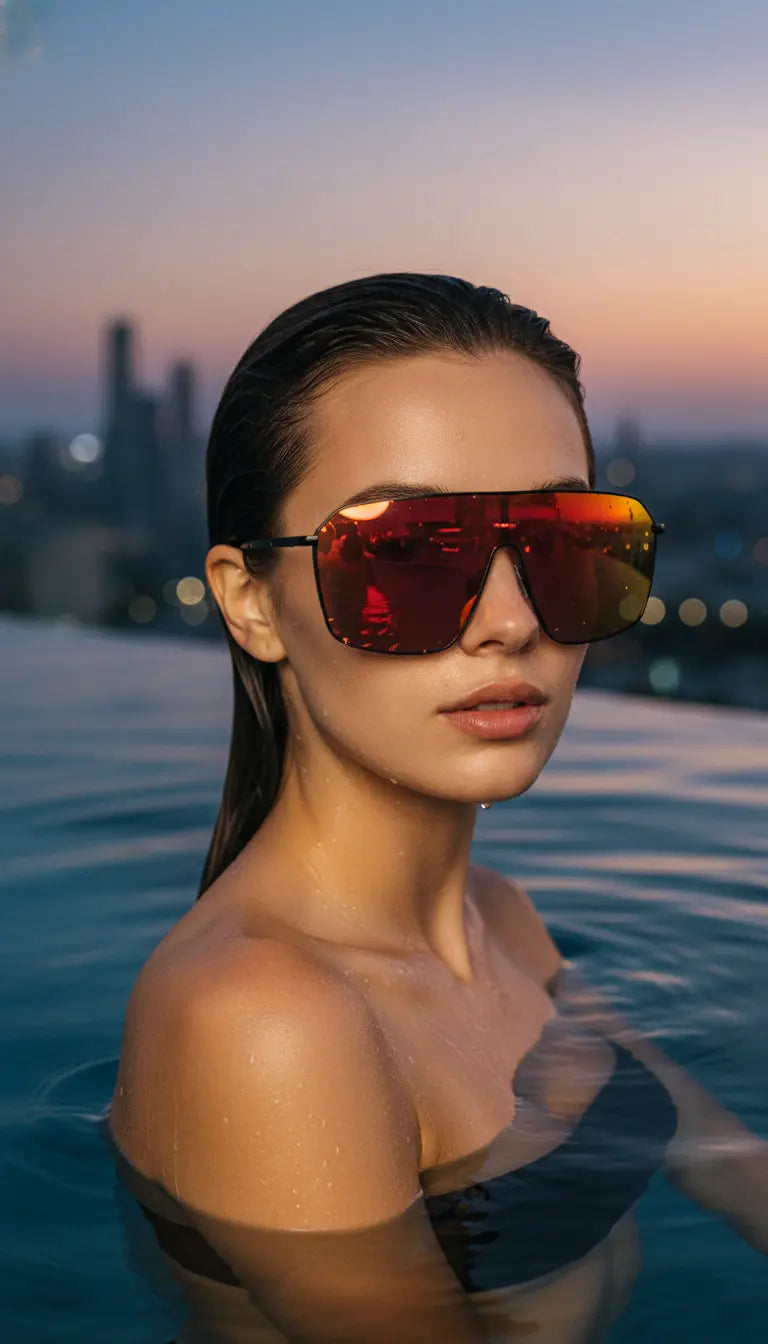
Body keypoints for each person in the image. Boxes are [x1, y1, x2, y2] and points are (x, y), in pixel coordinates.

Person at [106, 273, 768, 1343]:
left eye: (565, 544)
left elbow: (725, 1158)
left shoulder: (500, 918)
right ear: (250, 604)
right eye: (405, 554)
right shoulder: (266, 1020)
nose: (510, 621)